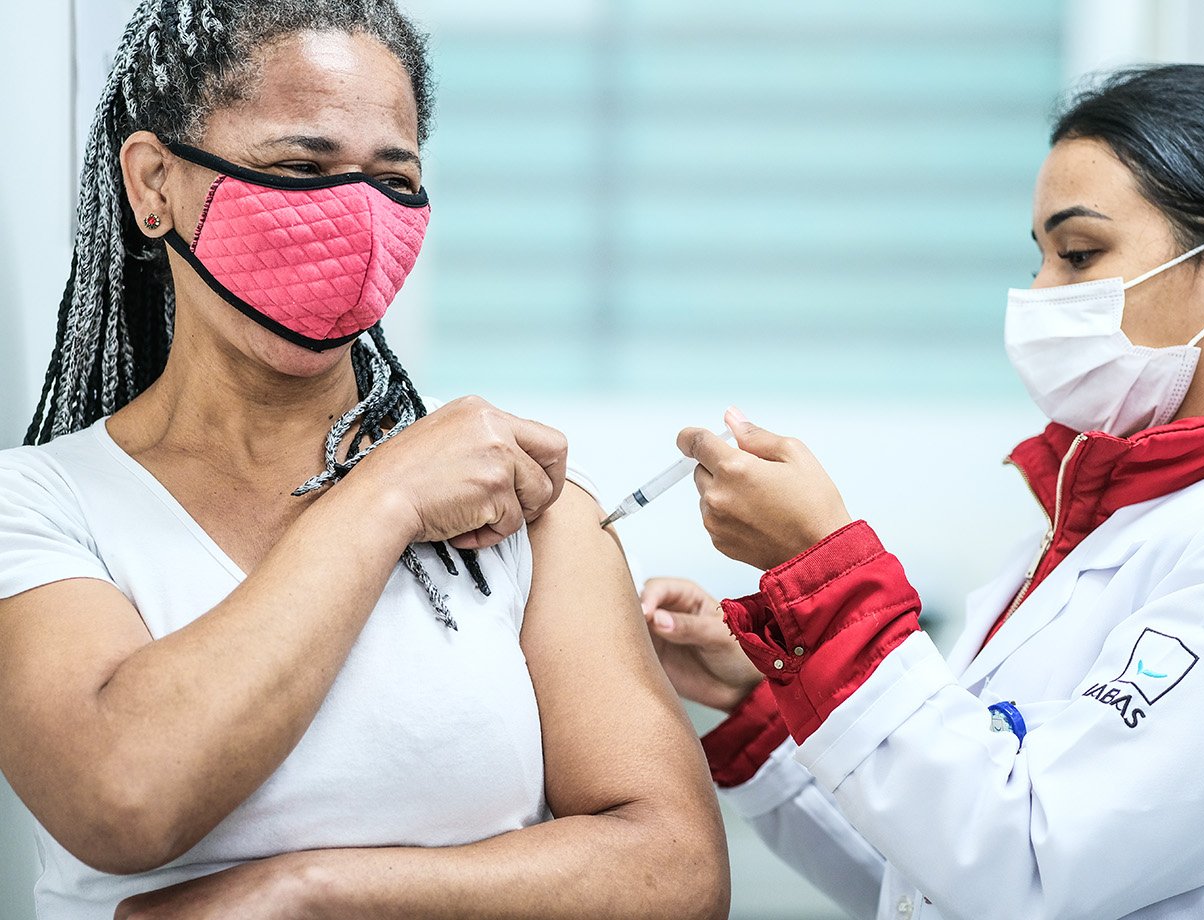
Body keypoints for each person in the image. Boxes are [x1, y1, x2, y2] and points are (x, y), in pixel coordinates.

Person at [0, 3, 728, 918]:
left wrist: (310, 893)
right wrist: (384, 496)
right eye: (301, 166)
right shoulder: (38, 507)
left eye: (394, 178)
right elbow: (124, 796)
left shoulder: (519, 515)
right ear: (153, 184)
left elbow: (677, 873)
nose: (355, 217)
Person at [642, 64, 1204, 920]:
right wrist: (762, 702)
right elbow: (930, 871)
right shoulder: (1098, 529)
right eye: (1041, 258)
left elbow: (1021, 864)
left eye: (1078, 255)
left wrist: (826, 579)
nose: (1038, 297)